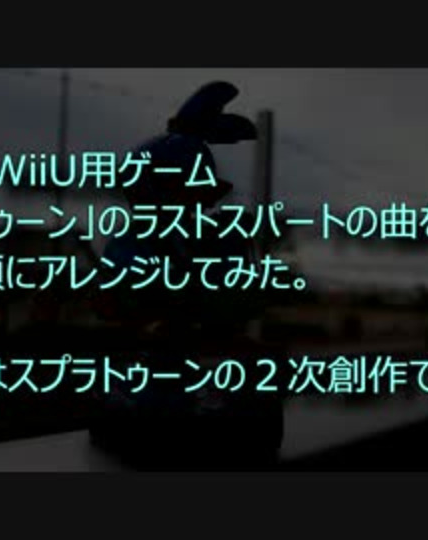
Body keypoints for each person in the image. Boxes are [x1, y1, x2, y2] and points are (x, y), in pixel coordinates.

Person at [89, 81, 283, 468]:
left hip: (202, 355)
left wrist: (212, 307)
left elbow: (239, 295)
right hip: (157, 356)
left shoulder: (222, 238)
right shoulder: (134, 239)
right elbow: (114, 298)